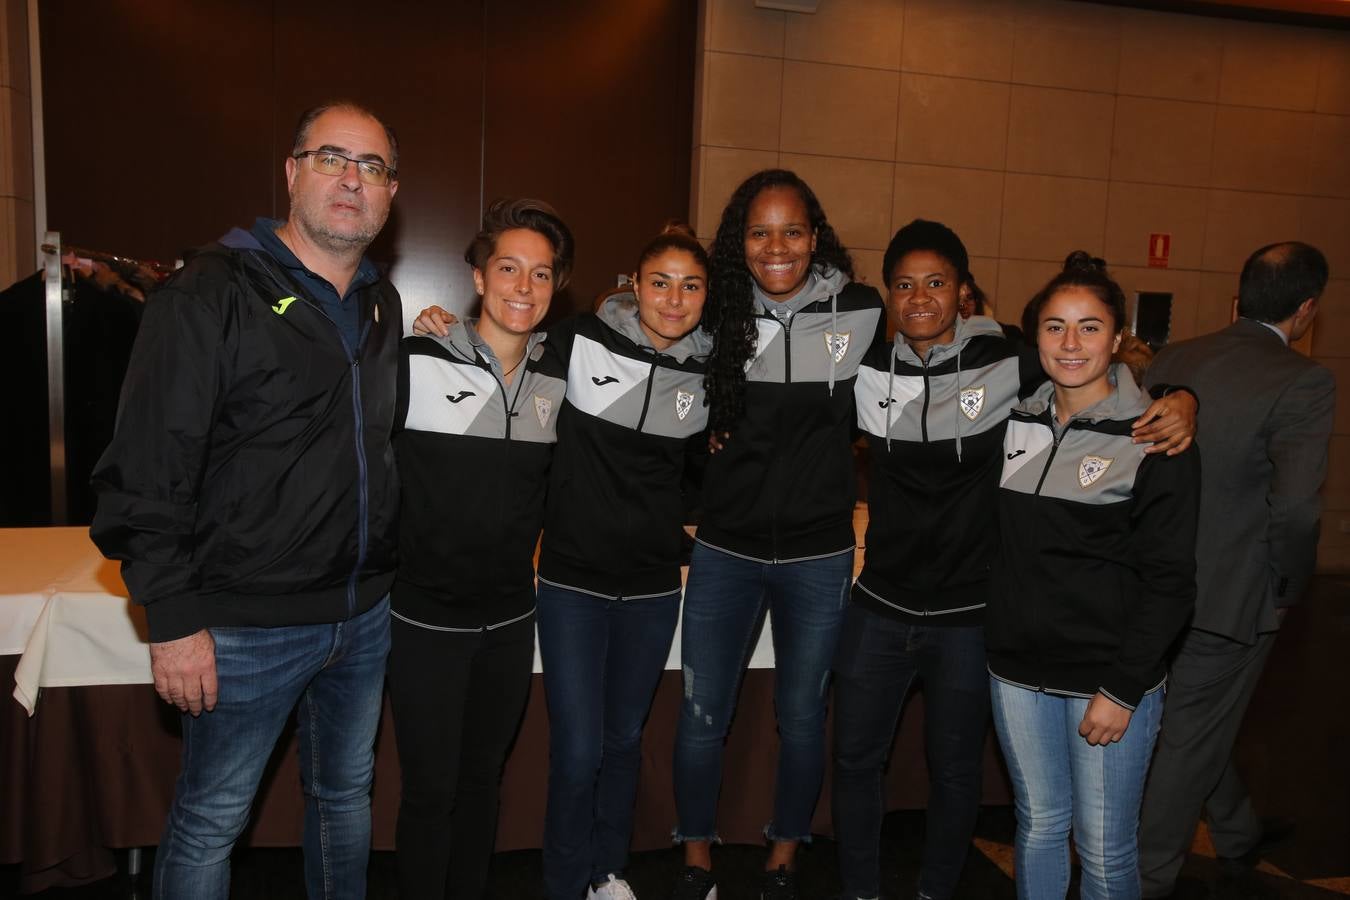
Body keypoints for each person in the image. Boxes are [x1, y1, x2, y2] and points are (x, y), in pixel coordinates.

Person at [89, 101, 402, 899]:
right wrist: (172, 618)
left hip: (361, 616)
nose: (351, 179)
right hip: (244, 627)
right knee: (210, 821)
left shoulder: (379, 302)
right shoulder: (209, 292)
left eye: (371, 167)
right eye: (333, 157)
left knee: (344, 800)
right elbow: (147, 470)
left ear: (390, 195)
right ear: (292, 172)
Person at [835, 222, 1195, 900]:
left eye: (936, 281)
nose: (920, 297)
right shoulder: (868, 368)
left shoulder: (1009, 360)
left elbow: (1104, 376)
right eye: (905, 284)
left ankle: (935, 892)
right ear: (888, 295)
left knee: (970, 779)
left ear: (963, 292)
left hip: (971, 615)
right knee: (867, 765)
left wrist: (1183, 398)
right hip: (886, 606)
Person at [669, 169, 884, 900]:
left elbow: (952, 340)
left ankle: (785, 848)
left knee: (802, 717)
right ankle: (695, 850)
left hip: (819, 556)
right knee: (702, 716)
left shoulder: (859, 311)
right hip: (725, 550)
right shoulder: (714, 313)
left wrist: (1175, 395)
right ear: (739, 241)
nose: (777, 246)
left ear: (815, 236)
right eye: (759, 232)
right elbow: (633, 315)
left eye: (792, 230)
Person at [986, 251, 1200, 900]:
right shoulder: (1014, 418)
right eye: (1054, 326)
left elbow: (1170, 579)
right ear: (1035, 336)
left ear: (1116, 338)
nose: (1070, 343)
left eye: (1088, 327)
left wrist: (1124, 687)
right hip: (1016, 671)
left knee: (1105, 850)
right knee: (1041, 825)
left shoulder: (1153, 436)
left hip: (1105, 679)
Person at [1137, 242, 1335, 899]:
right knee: (1190, 736)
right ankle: (1142, 877)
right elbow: (1299, 510)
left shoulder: (1174, 358)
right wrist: (1287, 585)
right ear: (1307, 310)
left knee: (1201, 717)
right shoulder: (1303, 381)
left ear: (1238, 295)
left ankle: (1236, 829)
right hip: (1233, 595)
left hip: (1152, 580)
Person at [388, 198, 571, 900]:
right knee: (431, 791)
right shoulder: (413, 362)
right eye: (508, 268)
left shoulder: (560, 381)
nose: (523, 287)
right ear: (477, 276)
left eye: (542, 274)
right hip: (425, 619)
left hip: (508, 620)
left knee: (482, 783)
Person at [536, 225, 713, 900]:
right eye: (660, 282)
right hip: (573, 579)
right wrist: (446, 328)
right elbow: (504, 348)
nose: (674, 298)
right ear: (633, 286)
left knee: (620, 740)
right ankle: (562, 880)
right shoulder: (579, 340)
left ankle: (608, 872)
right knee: (578, 748)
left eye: (690, 285)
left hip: (650, 585)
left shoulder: (710, 373)